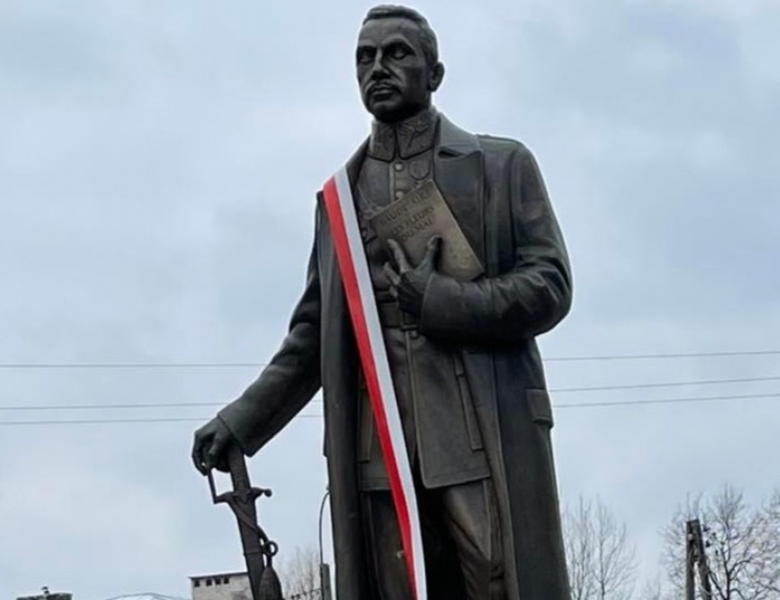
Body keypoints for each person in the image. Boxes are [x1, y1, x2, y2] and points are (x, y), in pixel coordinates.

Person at [192, 5, 573, 599]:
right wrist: (242, 421)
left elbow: (549, 285)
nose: (379, 68)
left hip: (477, 435)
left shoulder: (501, 167)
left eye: (397, 53)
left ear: (435, 72)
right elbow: (312, 337)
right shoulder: (339, 199)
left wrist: (444, 302)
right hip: (377, 448)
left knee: (499, 583)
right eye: (365, 58)